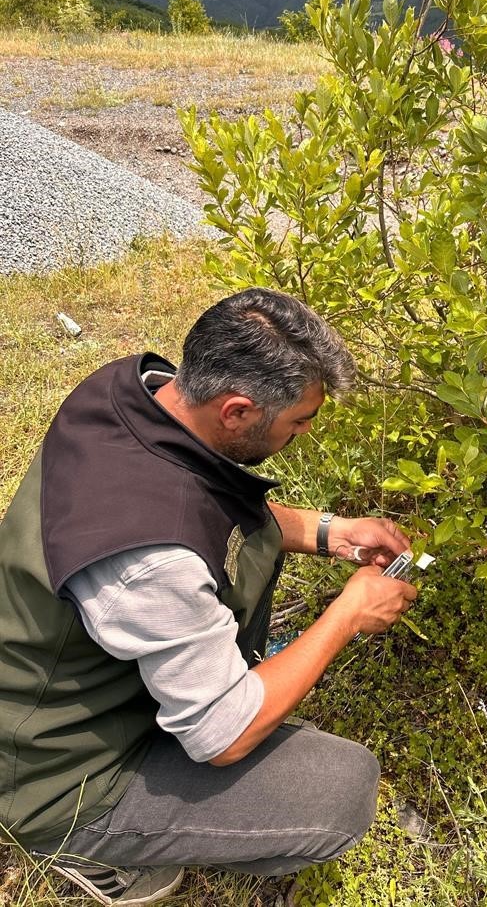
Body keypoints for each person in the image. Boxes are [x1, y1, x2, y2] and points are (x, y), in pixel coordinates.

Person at [0, 288, 418, 905]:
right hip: (52, 768)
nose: (303, 434)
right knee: (340, 794)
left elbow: (208, 504)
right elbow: (224, 737)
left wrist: (330, 533)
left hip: (48, 684)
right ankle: (83, 843)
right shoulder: (152, 559)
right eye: (298, 423)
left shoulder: (132, 393)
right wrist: (346, 614)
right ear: (238, 411)